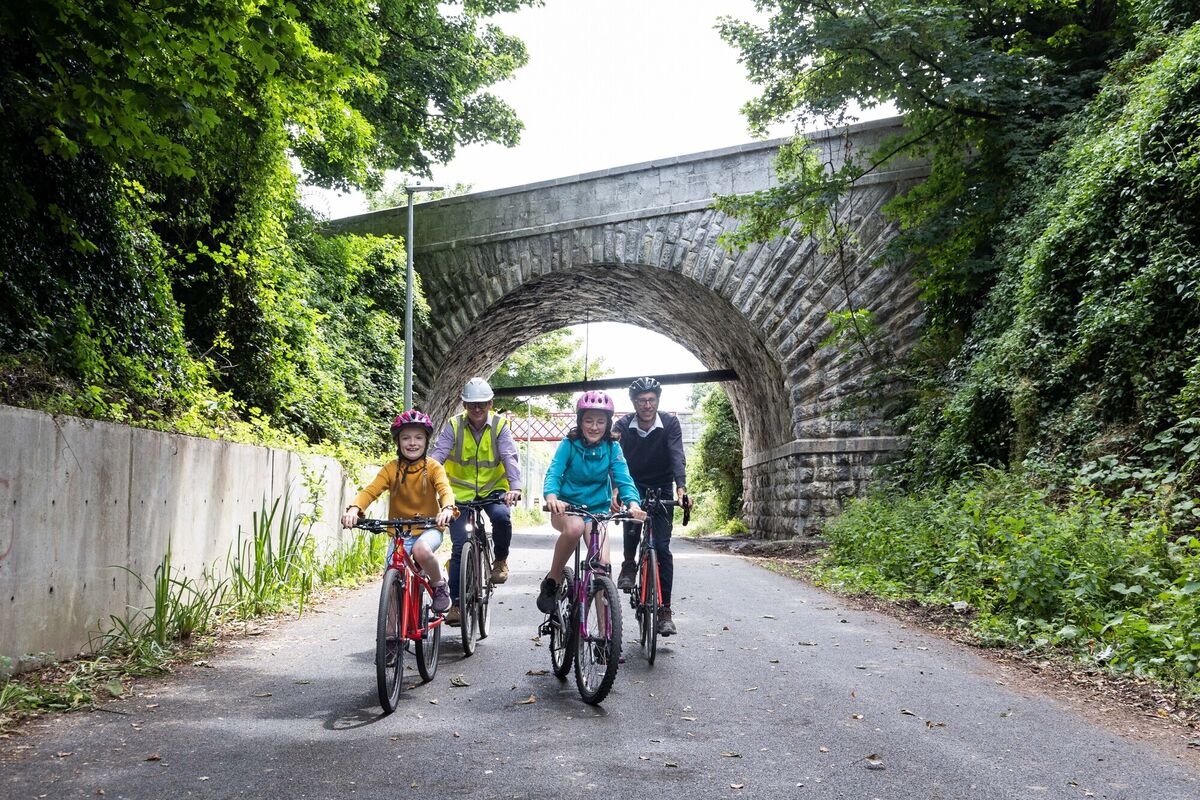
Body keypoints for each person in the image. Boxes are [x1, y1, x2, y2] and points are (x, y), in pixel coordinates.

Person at [536, 391, 647, 614]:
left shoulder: (612, 447)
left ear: (608, 424)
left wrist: (633, 504)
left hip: (597, 511)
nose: (594, 427)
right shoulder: (569, 444)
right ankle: (553, 580)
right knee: (575, 527)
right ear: (580, 421)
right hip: (566, 507)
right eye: (589, 420)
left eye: (600, 421)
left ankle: (606, 641)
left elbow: (623, 478)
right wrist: (552, 498)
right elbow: (555, 472)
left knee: (602, 566)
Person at [341, 410, 456, 613]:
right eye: (406, 438)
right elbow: (370, 491)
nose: (412, 443)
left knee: (421, 550)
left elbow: (445, 490)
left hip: (429, 529)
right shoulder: (391, 469)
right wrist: (354, 509)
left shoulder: (433, 467)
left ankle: (439, 585)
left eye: (418, 437)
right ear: (398, 442)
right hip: (400, 533)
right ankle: (392, 636)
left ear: (426, 441)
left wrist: (446, 508)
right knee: (392, 580)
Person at [431, 377, 522, 626]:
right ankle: (457, 606)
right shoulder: (454, 425)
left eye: (482, 404)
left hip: (493, 490)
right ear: (464, 405)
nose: (477, 410)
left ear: (491, 403)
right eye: (472, 405)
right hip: (460, 495)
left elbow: (509, 456)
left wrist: (515, 487)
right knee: (460, 545)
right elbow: (438, 455)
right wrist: (425, 478)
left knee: (502, 517)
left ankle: (500, 559)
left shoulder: (500, 426)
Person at [612, 377, 691, 636]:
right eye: (641, 401)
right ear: (634, 403)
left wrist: (681, 489)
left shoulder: (669, 423)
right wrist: (615, 489)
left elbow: (677, 455)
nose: (647, 405)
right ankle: (628, 563)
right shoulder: (623, 425)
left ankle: (665, 611)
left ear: (657, 400)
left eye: (651, 400)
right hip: (633, 484)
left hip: (662, 486)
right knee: (633, 523)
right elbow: (614, 458)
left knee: (663, 548)